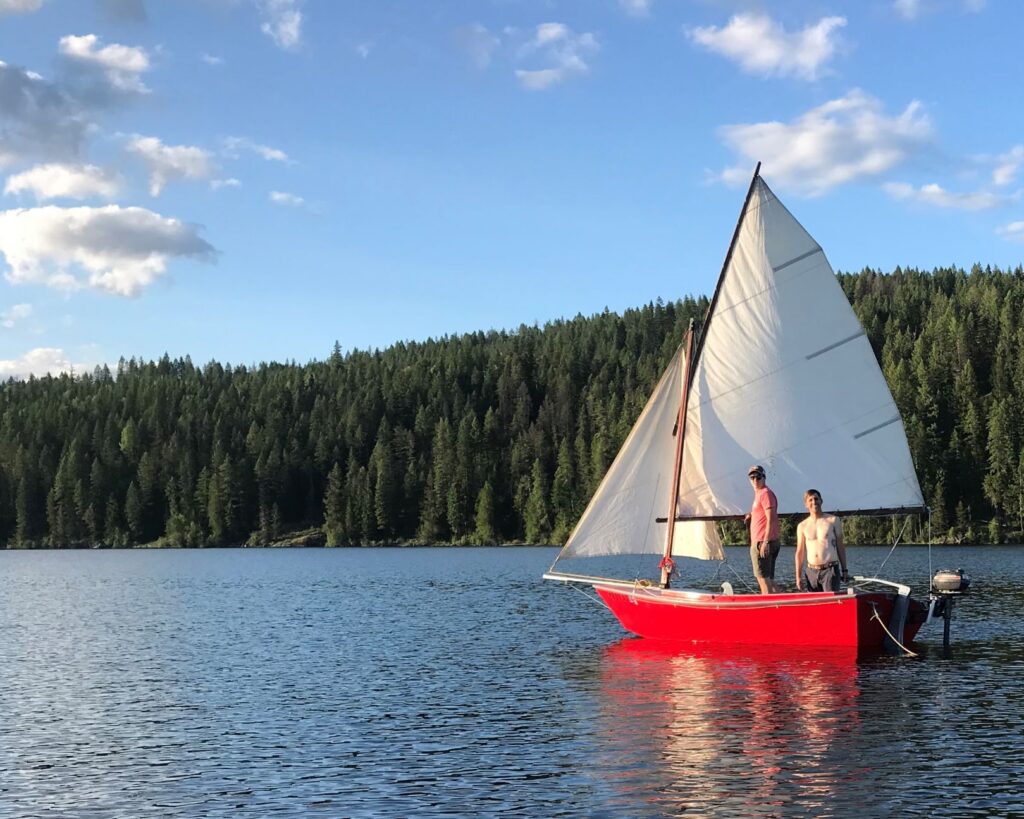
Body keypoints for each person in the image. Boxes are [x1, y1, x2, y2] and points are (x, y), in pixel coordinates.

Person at [795, 489, 849, 592]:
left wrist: (844, 569)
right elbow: (800, 552)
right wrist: (798, 577)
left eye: (816, 499)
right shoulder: (802, 526)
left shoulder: (833, 520)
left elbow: (840, 546)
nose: (814, 502)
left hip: (830, 570)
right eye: (810, 500)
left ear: (821, 501)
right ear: (806, 504)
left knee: (831, 603)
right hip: (811, 572)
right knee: (815, 605)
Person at [744, 465, 780, 594]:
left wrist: (765, 542)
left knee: (763, 581)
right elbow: (763, 513)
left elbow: (771, 518)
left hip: (763, 542)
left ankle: (769, 609)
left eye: (758, 477)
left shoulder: (765, 493)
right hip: (764, 541)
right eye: (752, 477)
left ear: (764, 477)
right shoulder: (760, 494)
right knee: (769, 579)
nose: (755, 480)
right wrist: (752, 515)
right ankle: (784, 603)